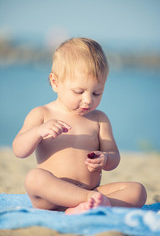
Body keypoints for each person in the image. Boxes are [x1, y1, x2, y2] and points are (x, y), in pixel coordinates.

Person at [12, 37, 147, 214]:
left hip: (91, 192)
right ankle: (91, 203)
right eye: (79, 91)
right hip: (52, 196)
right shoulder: (42, 114)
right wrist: (38, 131)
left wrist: (105, 159)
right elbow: (19, 150)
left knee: (138, 191)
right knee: (34, 178)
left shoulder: (99, 119)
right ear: (55, 82)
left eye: (97, 93)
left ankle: (87, 206)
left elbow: (114, 156)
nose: (88, 100)